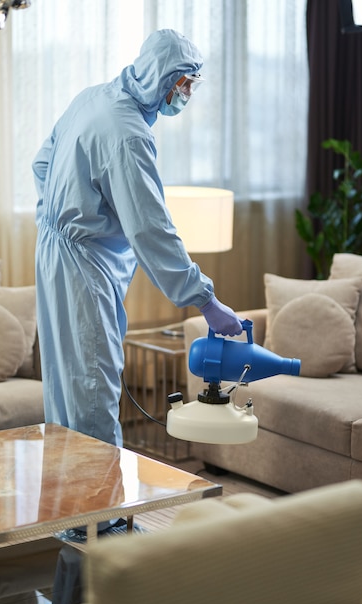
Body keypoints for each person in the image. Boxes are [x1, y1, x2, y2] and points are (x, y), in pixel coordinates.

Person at [32, 28, 243, 451]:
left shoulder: (93, 97)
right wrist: (204, 298)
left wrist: (67, 215)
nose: (187, 93)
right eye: (184, 83)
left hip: (54, 252)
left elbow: (41, 163)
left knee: (64, 391)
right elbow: (150, 228)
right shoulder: (128, 134)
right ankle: (99, 516)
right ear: (162, 77)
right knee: (93, 390)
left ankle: (70, 509)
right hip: (84, 268)